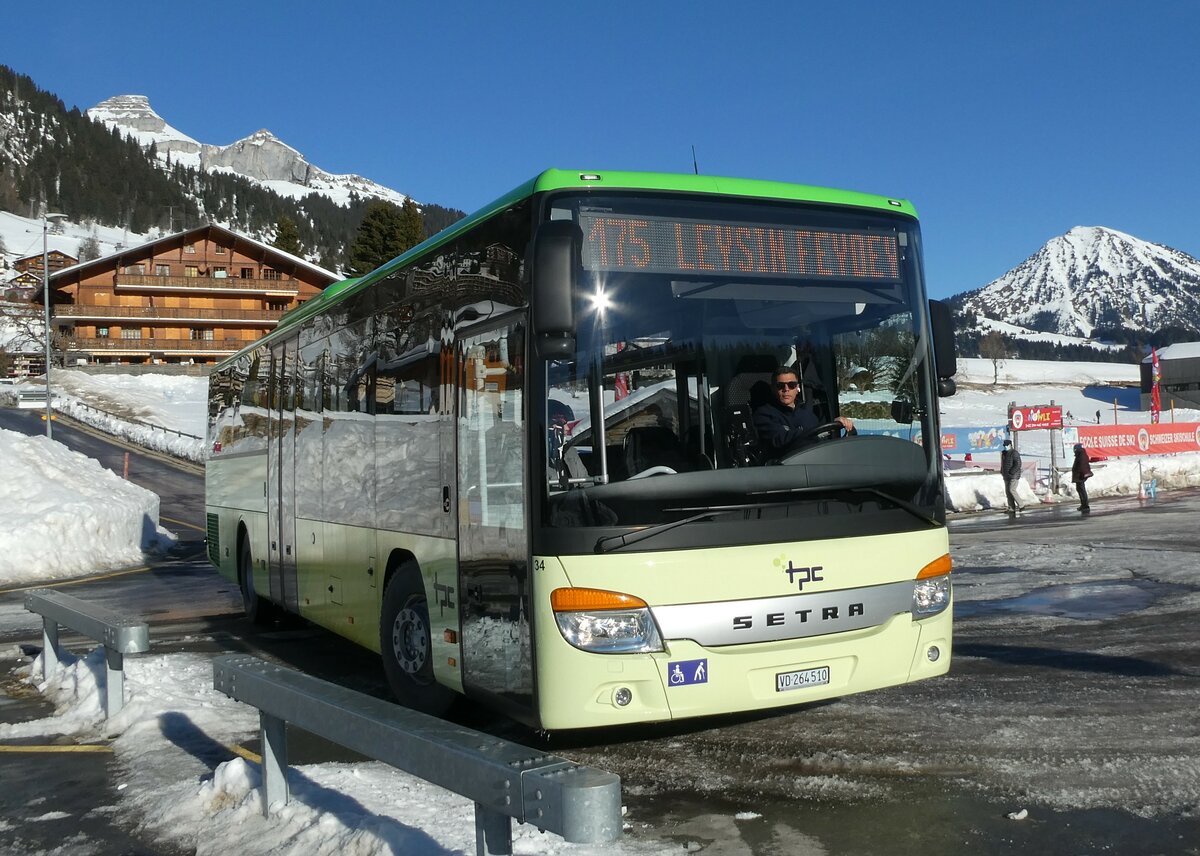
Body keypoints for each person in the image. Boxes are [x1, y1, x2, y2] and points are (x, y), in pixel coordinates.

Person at [753, 365, 854, 455]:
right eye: (780, 386)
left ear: (797, 388)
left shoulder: (806, 412)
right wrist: (812, 432)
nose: (786, 389)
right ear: (773, 389)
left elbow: (822, 432)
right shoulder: (763, 414)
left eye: (791, 385)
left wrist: (838, 423)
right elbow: (779, 440)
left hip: (817, 460)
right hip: (785, 467)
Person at [1001, 439, 1023, 516]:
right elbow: (1003, 464)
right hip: (1006, 475)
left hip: (1014, 475)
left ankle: (1021, 505)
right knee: (1008, 492)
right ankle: (1011, 508)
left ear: (1010, 445)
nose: (1005, 447)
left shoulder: (1014, 453)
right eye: (1004, 445)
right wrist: (1002, 471)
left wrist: (1012, 471)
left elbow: (1018, 464)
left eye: (1006, 445)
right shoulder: (1004, 453)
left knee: (1012, 490)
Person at [1072, 442, 1093, 513]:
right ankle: (1083, 504)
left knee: (1081, 490)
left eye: (1075, 449)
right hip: (1079, 475)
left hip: (1080, 475)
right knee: (1080, 489)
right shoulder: (1080, 454)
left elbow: (1082, 465)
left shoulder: (1081, 455)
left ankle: (1085, 505)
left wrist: (1083, 473)